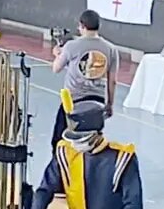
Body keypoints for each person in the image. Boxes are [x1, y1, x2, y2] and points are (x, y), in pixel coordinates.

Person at [50, 9, 117, 151]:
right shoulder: (111, 49)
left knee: (59, 141)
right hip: (97, 102)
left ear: (82, 26)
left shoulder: (72, 46)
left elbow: (56, 68)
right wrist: (109, 104)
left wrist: (57, 54)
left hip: (73, 102)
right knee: (93, 141)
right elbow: (112, 81)